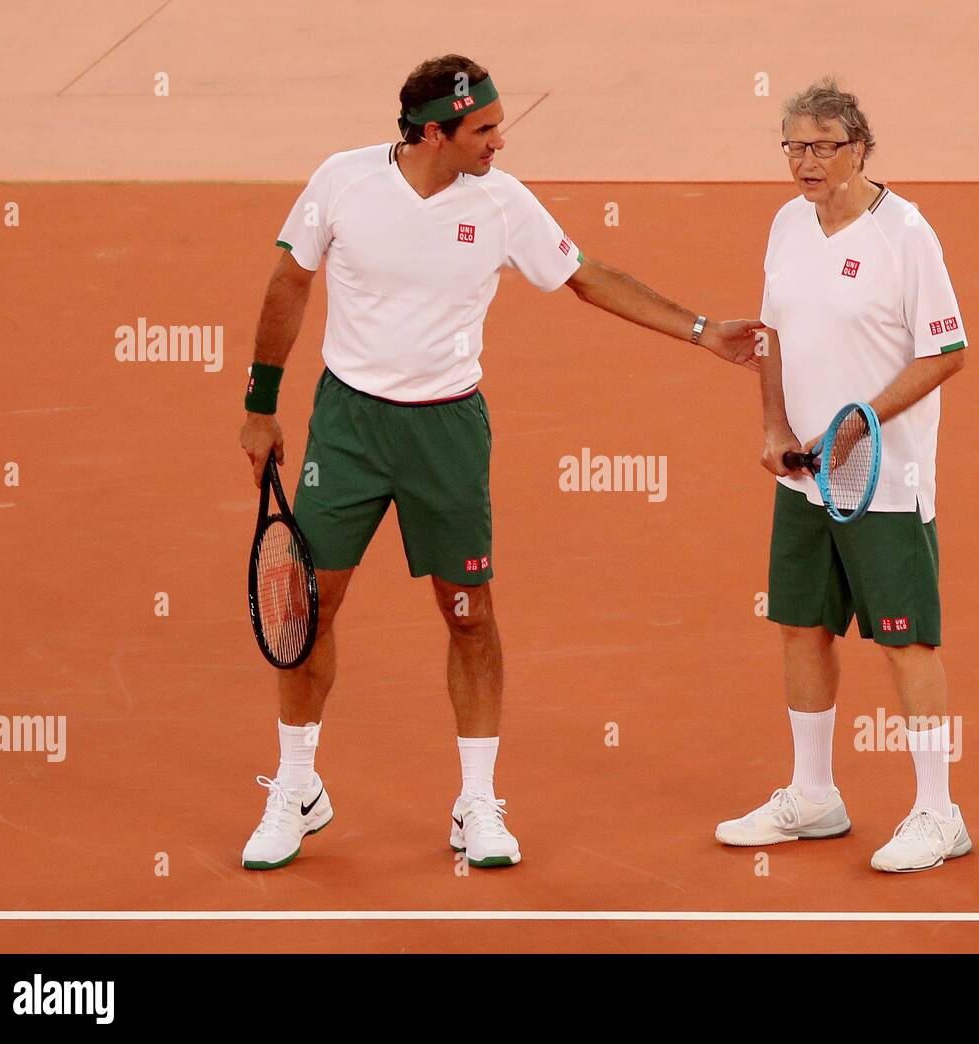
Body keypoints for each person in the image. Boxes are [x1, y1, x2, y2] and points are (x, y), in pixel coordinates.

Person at [238, 54, 760, 871]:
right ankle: (298, 788)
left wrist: (701, 332)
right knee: (309, 607)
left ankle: (476, 801)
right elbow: (288, 282)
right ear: (433, 132)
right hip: (347, 427)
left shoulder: (502, 203)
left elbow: (587, 278)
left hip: (447, 429)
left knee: (469, 613)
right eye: (483, 129)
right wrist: (260, 404)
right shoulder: (341, 183)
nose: (499, 142)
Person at [715, 78, 973, 873]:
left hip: (883, 483)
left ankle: (939, 813)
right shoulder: (788, 225)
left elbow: (947, 350)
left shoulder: (907, 234)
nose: (805, 161)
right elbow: (771, 335)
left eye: (822, 145)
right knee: (801, 626)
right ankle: (815, 793)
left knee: (906, 641)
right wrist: (773, 428)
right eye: (793, 145)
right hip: (805, 477)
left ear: (859, 147)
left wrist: (860, 419)